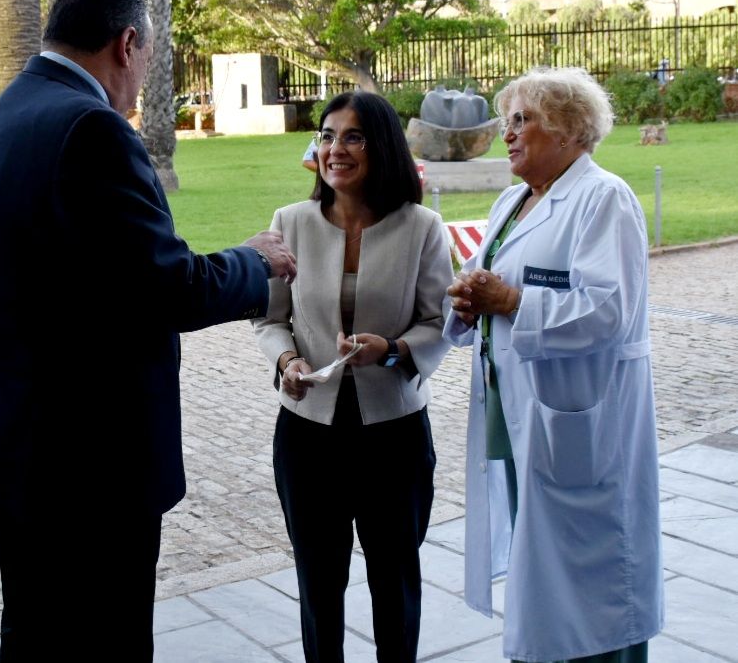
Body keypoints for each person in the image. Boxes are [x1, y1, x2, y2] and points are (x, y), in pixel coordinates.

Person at [0, 0, 296, 662]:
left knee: (35, 631)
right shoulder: (91, 127)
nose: (144, 78)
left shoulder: (4, 112)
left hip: (22, 440)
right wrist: (254, 261)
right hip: (91, 461)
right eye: (148, 58)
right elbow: (168, 288)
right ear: (128, 41)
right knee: (103, 639)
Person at [444, 66, 664, 663]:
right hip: (521, 416)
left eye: (524, 120)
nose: (509, 133)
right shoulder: (514, 200)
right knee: (542, 563)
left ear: (569, 129)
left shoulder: (603, 198)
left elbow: (608, 310)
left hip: (578, 418)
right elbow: (497, 288)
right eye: (508, 120)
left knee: (595, 583)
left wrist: (511, 301)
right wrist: (470, 304)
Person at [252, 91, 453, 663]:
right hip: (308, 435)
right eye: (327, 135)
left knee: (395, 582)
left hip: (394, 433)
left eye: (353, 136)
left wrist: (391, 349)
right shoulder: (289, 222)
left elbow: (439, 323)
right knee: (318, 586)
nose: (335, 149)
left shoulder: (422, 227)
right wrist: (288, 363)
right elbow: (269, 319)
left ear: (382, 145)